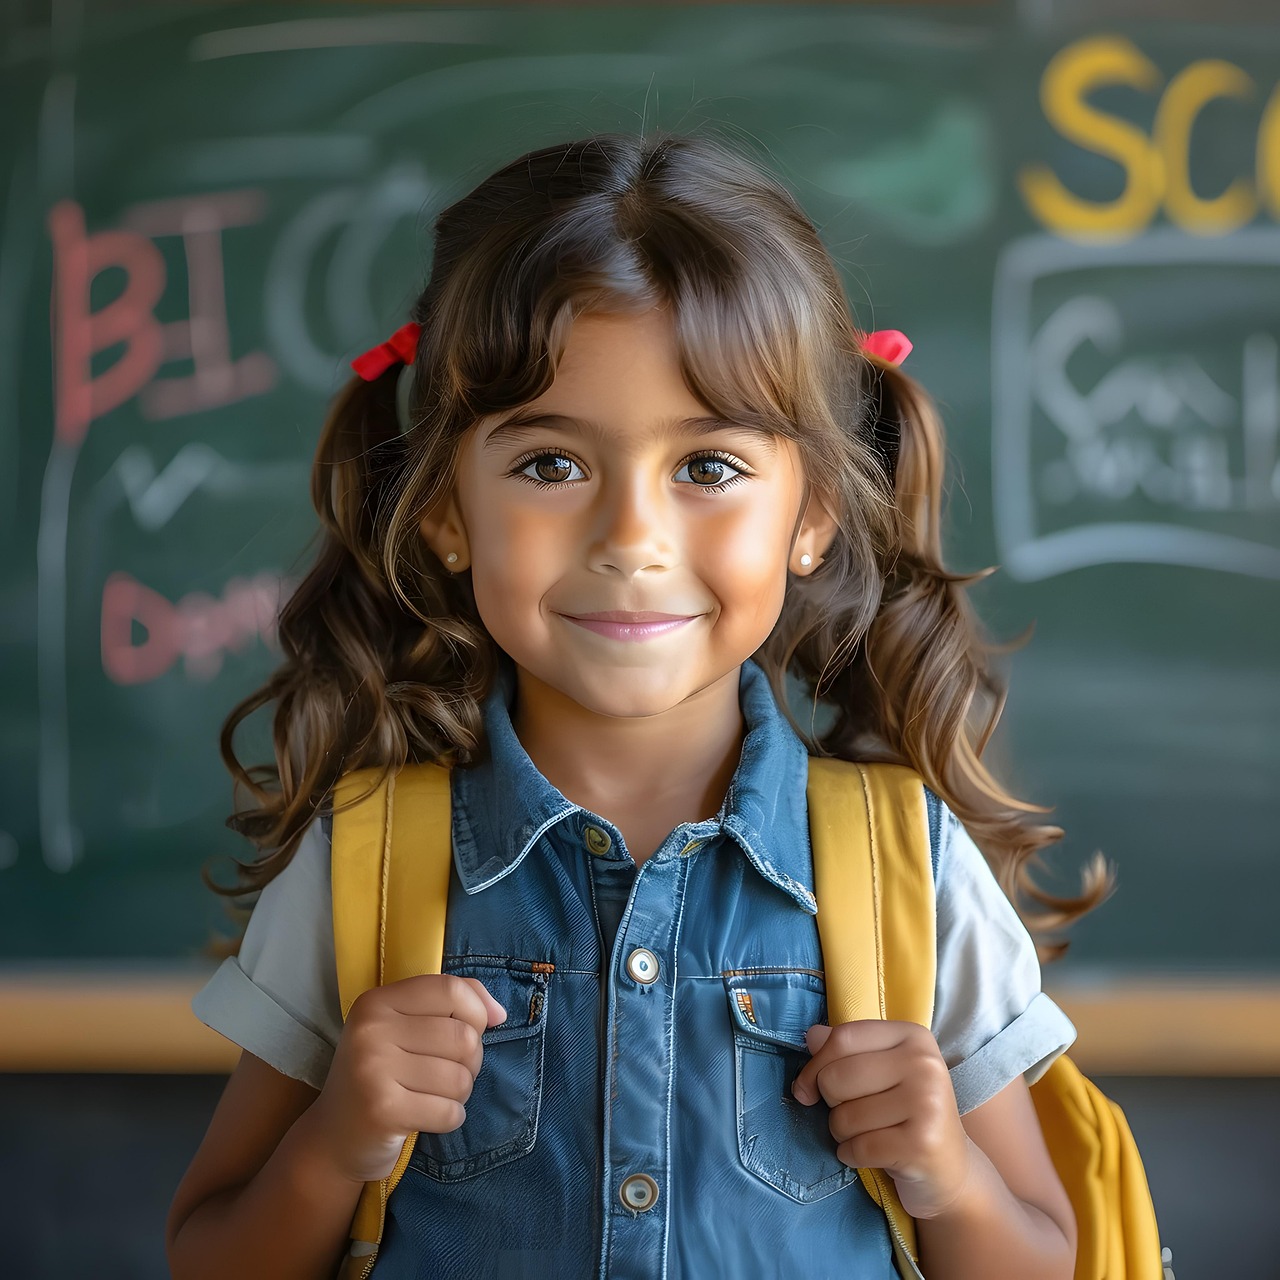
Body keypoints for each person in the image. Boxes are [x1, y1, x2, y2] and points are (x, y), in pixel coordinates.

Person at [167, 133, 1106, 1280]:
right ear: (444, 511)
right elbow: (211, 1254)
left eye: (706, 467)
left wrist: (944, 1169)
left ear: (809, 512)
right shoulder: (361, 865)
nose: (630, 541)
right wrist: (334, 1142)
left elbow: (1042, 1259)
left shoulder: (905, 867)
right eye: (550, 465)